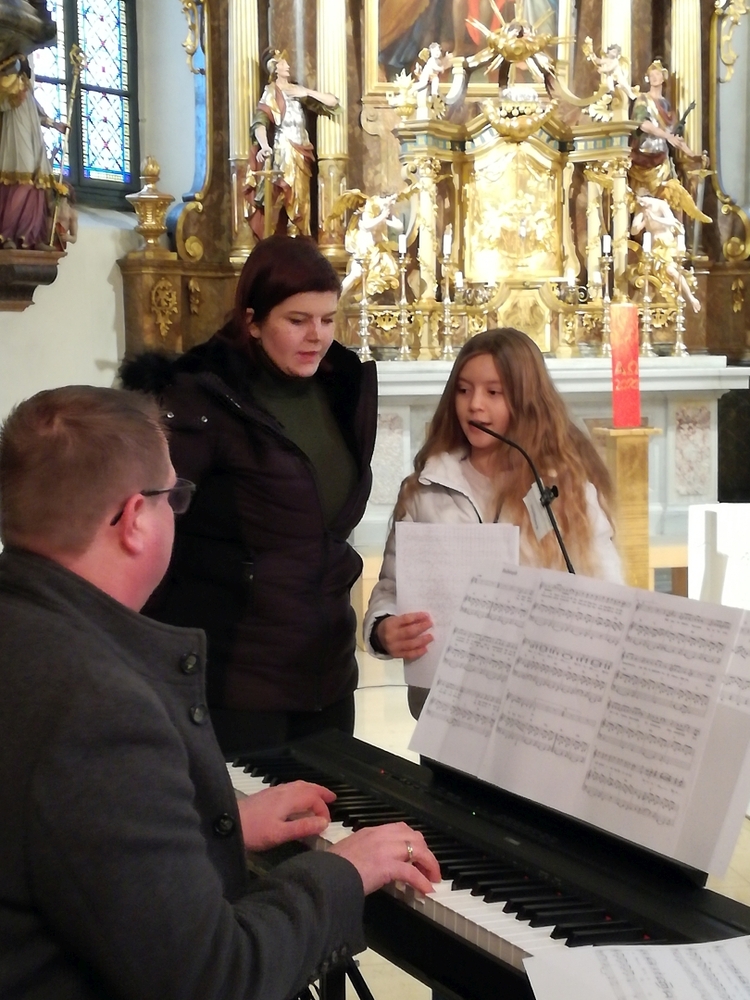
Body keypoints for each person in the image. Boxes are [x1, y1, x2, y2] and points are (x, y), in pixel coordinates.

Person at [0, 384, 439, 1000]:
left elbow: (75, 845)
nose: (177, 514)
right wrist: (342, 871)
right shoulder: (100, 709)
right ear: (134, 520)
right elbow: (216, 978)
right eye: (173, 497)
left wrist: (218, 825)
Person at [120, 235, 377, 757]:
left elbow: (325, 531)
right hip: (240, 678)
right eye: (297, 320)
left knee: (329, 804)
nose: (317, 336)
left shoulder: (342, 387)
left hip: (327, 668)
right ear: (253, 321)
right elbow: (154, 528)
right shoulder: (202, 400)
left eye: (328, 319)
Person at [363, 328, 622, 718]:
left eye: (494, 392)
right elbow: (391, 589)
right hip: (445, 708)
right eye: (463, 390)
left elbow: (606, 593)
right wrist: (384, 629)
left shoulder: (564, 490)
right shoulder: (424, 490)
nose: (475, 405)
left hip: (539, 705)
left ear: (526, 401)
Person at [245, 49, 338, 238]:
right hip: (284, 151)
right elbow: (260, 122)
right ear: (274, 68)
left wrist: (306, 92)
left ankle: (298, 239)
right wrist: (264, 145)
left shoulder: (297, 90)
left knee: (301, 200)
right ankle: (276, 240)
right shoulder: (271, 92)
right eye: (282, 63)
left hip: (302, 151)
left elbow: (332, 102)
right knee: (281, 195)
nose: (287, 66)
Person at [0, 53, 67, 250]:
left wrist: (54, 124)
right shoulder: (6, 81)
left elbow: (36, 111)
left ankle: (31, 237)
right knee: (22, 178)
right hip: (15, 132)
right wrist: (12, 96)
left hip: (33, 134)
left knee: (38, 181)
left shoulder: (26, 86)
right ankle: (7, 235)